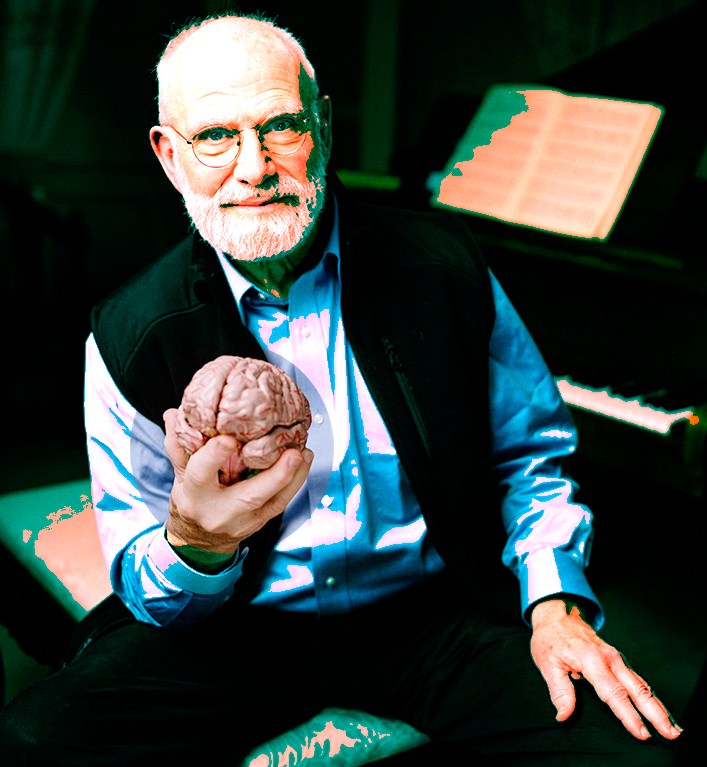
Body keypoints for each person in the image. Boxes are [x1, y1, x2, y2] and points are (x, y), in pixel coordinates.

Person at [0, 11, 684, 766]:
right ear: (169, 155)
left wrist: (554, 605)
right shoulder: (129, 329)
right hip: (240, 629)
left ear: (321, 126)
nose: (253, 166)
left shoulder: (442, 263)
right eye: (215, 137)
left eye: (281, 126)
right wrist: (197, 544)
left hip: (437, 618)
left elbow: (529, 456)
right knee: (35, 740)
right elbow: (143, 578)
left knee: (636, 754)